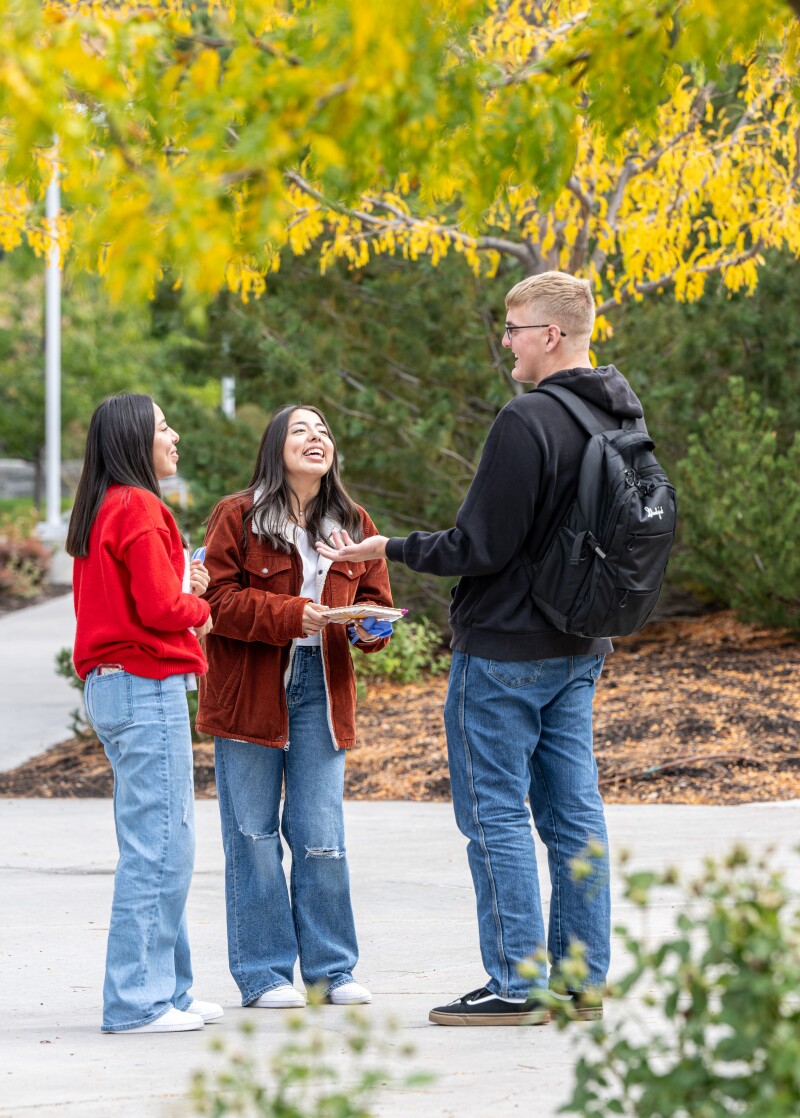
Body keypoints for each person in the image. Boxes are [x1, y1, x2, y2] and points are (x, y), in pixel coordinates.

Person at [317, 271, 648, 1026]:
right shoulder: (618, 415)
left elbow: (480, 544)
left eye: (514, 328)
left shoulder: (527, 419)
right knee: (575, 816)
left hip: (503, 652)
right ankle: (579, 980)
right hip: (578, 645)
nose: (506, 343)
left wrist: (388, 546)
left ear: (551, 336)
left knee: (494, 813)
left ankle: (516, 984)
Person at [195, 404, 393, 1010]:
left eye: (325, 430)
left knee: (320, 833)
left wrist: (370, 627)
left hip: (321, 684)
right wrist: (290, 616)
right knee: (252, 834)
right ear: (275, 447)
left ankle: (332, 970)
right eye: (301, 430)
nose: (316, 438)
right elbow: (216, 601)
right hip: (250, 686)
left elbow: (376, 599)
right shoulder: (238, 515)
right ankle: (263, 974)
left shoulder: (353, 521)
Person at [66, 393, 221, 1034]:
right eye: (163, 427)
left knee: (166, 843)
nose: (174, 435)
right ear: (136, 439)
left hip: (116, 685)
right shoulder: (138, 505)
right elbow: (162, 607)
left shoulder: (106, 505)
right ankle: (138, 1001)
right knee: (158, 846)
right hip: (142, 682)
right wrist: (201, 605)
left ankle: (171, 990)